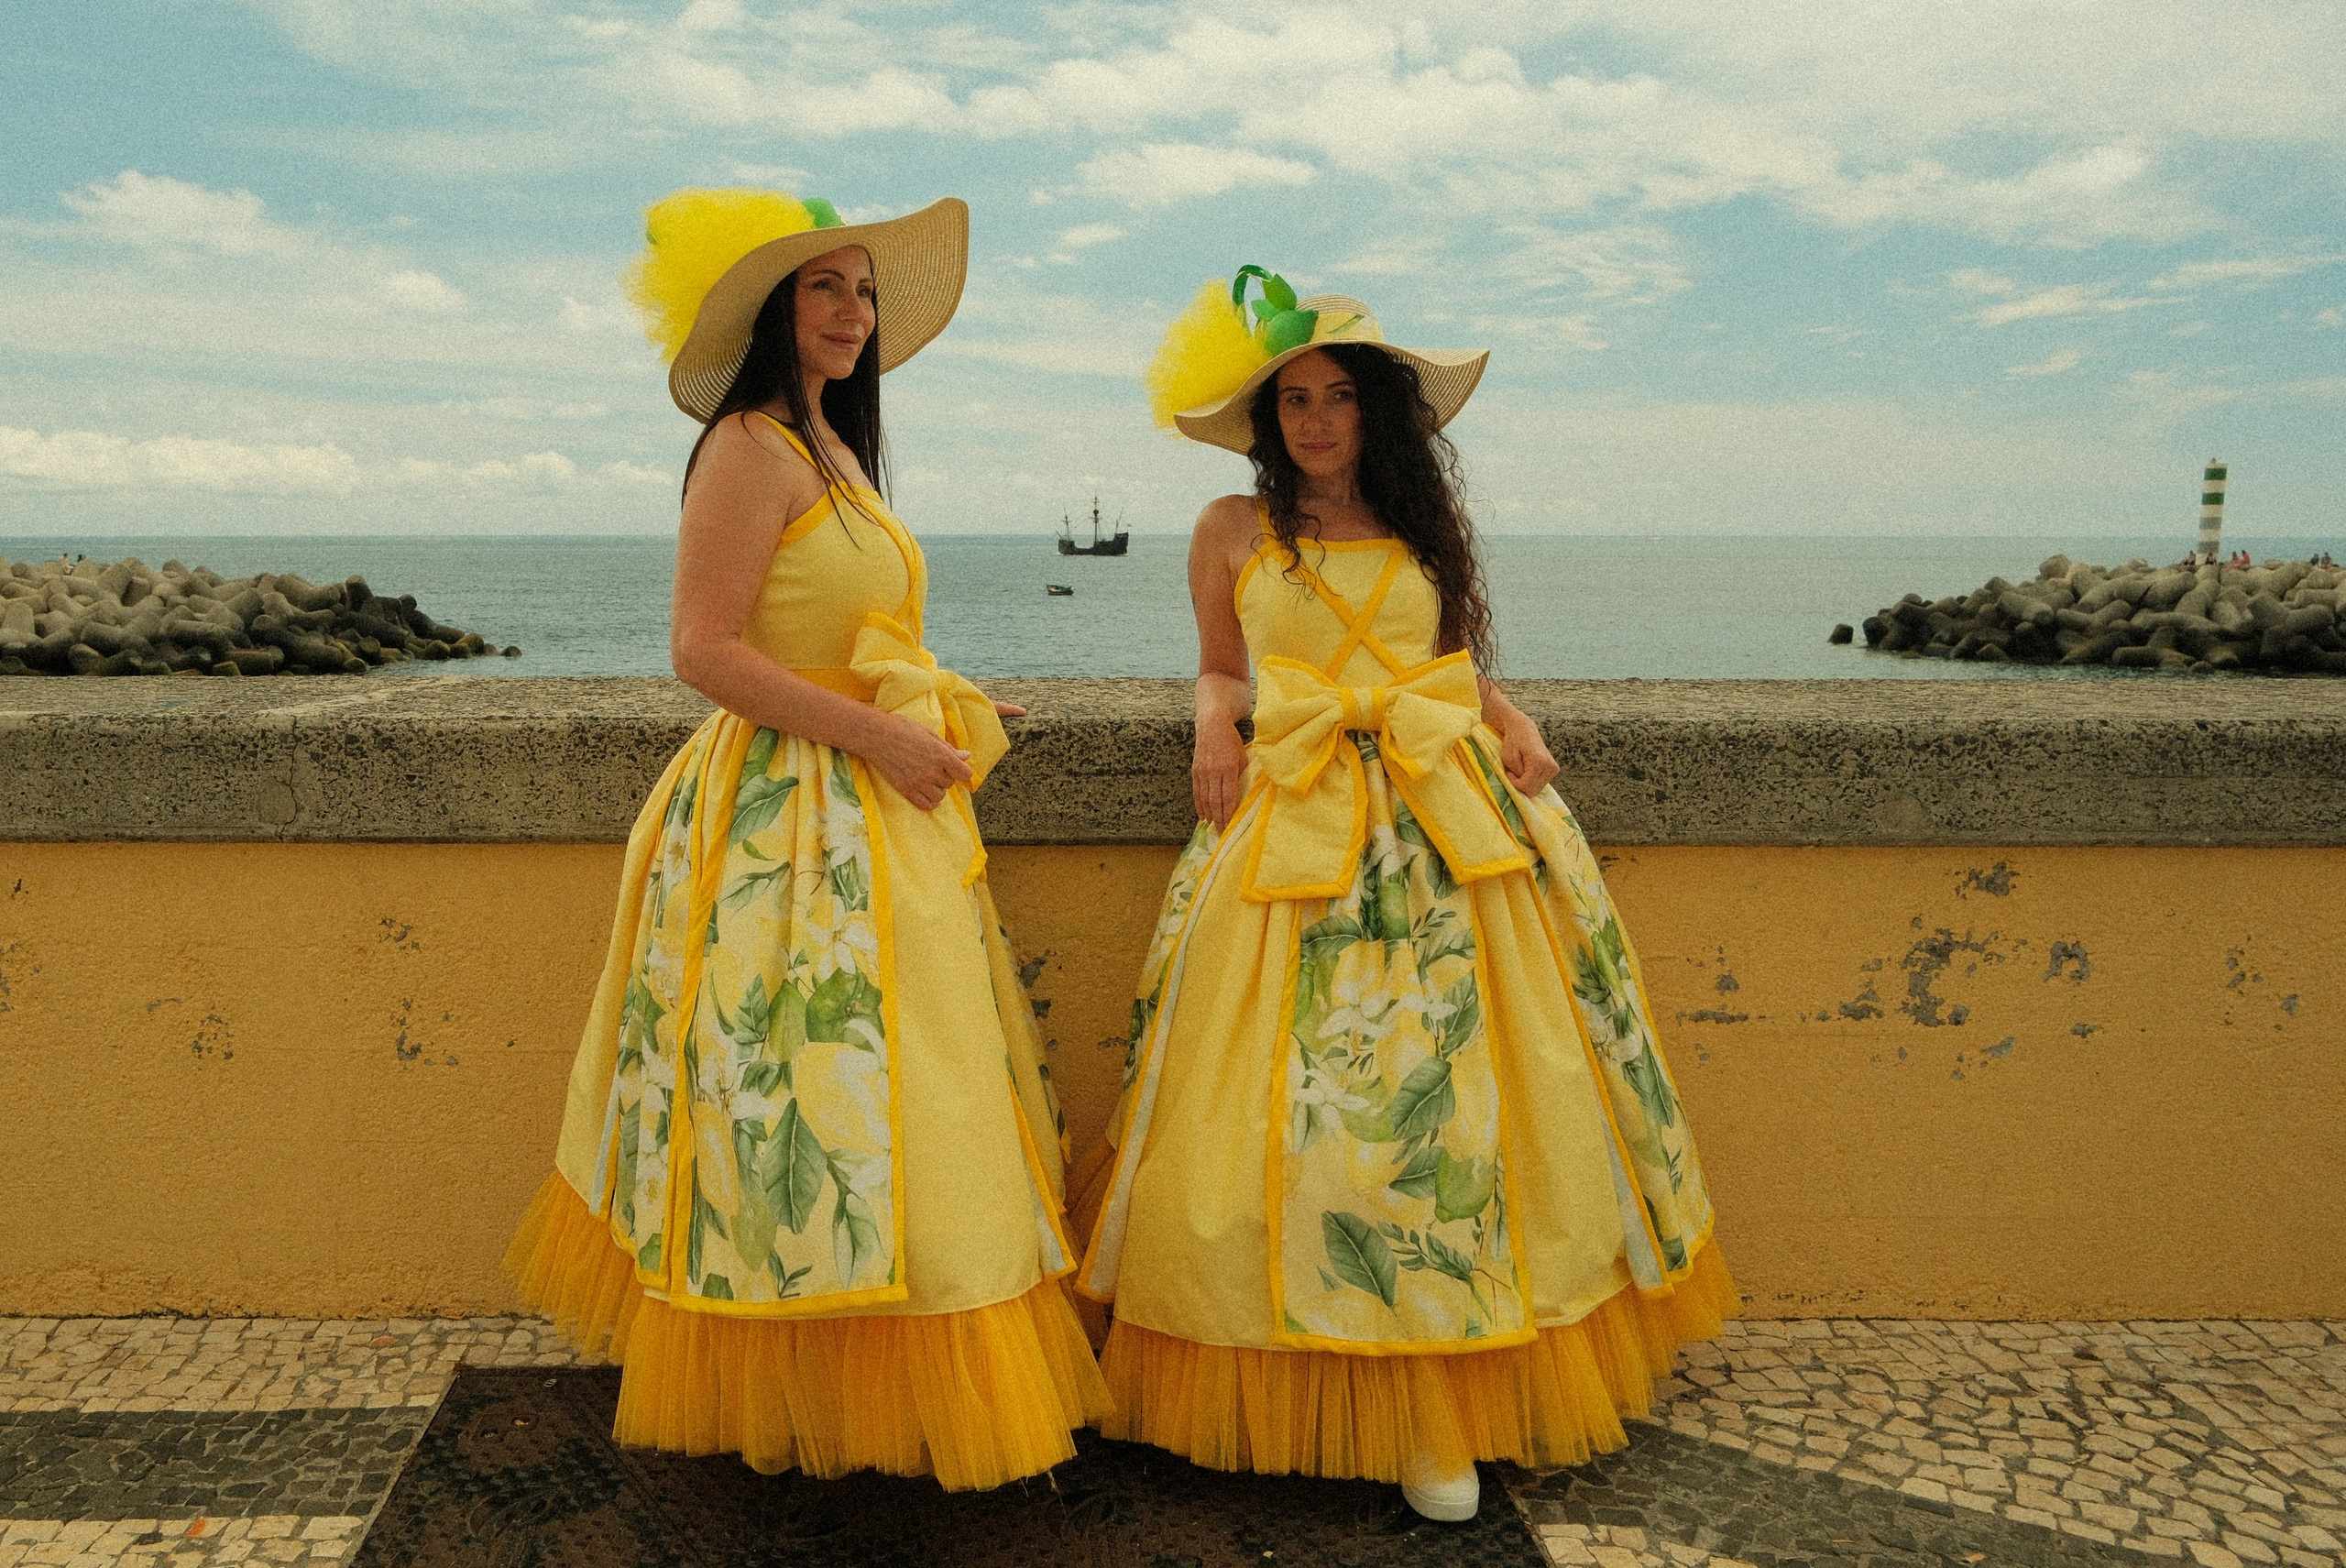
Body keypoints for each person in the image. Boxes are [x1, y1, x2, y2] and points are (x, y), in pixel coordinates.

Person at [1071, 267, 1736, 1522]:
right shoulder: (1230, 526)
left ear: (1377, 410)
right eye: (1293, 402)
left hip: (1448, 828)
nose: (1315, 422)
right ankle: (1315, 1373)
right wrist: (1213, 732)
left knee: (1460, 1117)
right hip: (1295, 821)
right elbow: (1224, 669)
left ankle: (1456, 1388)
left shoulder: (1423, 527)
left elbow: (1452, 669)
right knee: (1308, 1113)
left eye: (1337, 397)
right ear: (1268, 422)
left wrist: (1515, 713)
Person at [504, 187, 1108, 1490]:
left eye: (865, 291)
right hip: (781, 832)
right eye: (825, 289)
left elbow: (837, 634)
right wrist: (881, 739)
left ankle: (878, 1380)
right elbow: (703, 650)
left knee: (897, 1107)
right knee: (797, 1107)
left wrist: (942, 705)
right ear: (774, 311)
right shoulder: (748, 446)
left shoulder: (831, 446)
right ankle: (797, 1388)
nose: (852, 313)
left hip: (866, 812)